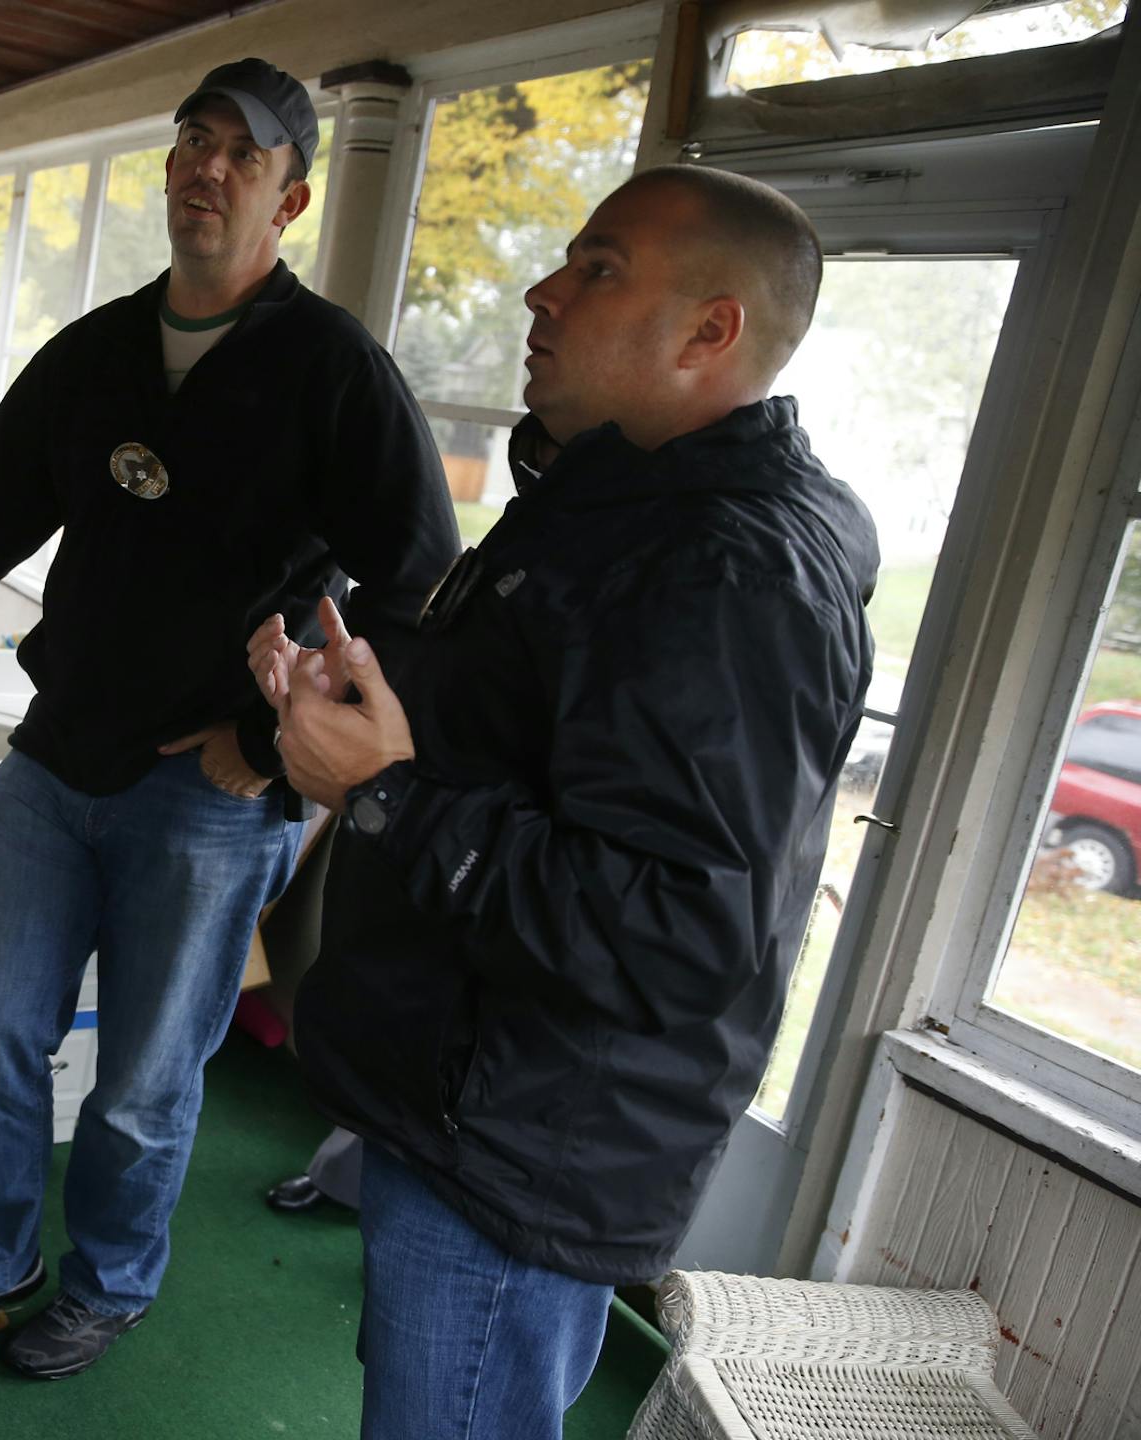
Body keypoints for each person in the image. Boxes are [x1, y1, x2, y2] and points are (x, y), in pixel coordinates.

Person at [254, 165, 878, 1437]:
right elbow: (538, 733)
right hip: (470, 1100)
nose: (543, 293)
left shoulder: (727, 573)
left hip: (520, 1145)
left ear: (711, 332)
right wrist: (366, 700)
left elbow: (676, 928)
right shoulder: (618, 503)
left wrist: (383, 792)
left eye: (599, 270)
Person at [0, 57, 459, 1380]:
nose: (208, 168)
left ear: (289, 199)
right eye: (194, 140)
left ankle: (111, 1283)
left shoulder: (333, 373)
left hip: (208, 792)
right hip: (54, 760)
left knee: (143, 1081)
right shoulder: (96, 356)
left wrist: (274, 747)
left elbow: (422, 587)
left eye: (244, 153)